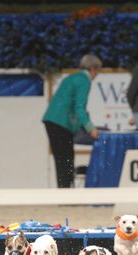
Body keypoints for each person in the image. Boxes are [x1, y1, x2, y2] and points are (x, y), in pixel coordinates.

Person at [42, 54, 101, 188]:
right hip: (62, 123)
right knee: (67, 158)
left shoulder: (72, 77)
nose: (97, 74)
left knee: (61, 159)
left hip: (51, 119)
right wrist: (90, 128)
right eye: (98, 70)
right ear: (93, 68)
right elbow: (79, 107)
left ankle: (63, 191)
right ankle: (67, 194)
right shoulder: (85, 80)